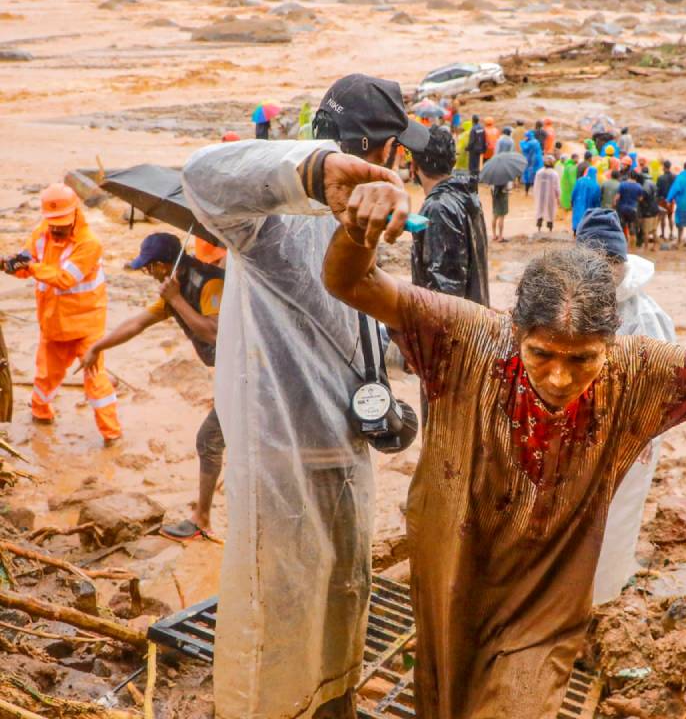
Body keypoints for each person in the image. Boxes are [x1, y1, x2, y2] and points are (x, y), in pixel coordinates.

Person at [320, 180, 686, 718]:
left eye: (583, 359)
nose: (561, 377)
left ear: (609, 344)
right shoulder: (462, 335)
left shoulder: (638, 370)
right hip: (453, 562)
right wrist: (357, 232)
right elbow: (351, 282)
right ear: (516, 329)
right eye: (541, 354)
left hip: (549, 593)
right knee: (443, 694)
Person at [182, 73, 430, 719]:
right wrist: (315, 174)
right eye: (397, 150)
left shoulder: (366, 225)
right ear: (381, 152)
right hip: (279, 466)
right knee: (272, 640)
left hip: (345, 460)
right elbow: (202, 177)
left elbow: (355, 327)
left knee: (342, 618)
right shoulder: (269, 222)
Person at [79, 233, 224, 539]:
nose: (149, 274)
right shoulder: (177, 287)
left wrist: (175, 301)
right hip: (233, 373)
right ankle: (209, 516)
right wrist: (98, 347)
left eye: (150, 268)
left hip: (253, 372)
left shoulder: (209, 283)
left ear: (163, 265)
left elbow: (213, 332)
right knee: (218, 441)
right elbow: (137, 324)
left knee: (209, 440)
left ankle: (204, 520)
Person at [569, 210, 677, 602]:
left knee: (613, 522)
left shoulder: (644, 317)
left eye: (610, 265)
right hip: (576, 432)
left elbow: (664, 383)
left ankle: (600, 601)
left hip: (628, 437)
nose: (603, 273)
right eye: (593, 265)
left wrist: (644, 428)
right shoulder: (570, 302)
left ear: (621, 263)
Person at [4, 182, 120, 444]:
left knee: (96, 382)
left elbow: (65, 279)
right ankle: (40, 416)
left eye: (61, 223)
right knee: (44, 377)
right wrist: (13, 266)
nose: (56, 228)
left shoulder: (90, 244)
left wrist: (31, 267)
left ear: (76, 215)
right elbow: (28, 264)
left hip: (86, 328)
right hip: (52, 323)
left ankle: (111, 434)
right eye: (52, 223)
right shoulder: (40, 233)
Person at [411, 125, 490, 303]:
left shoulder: (439, 207)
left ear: (414, 165)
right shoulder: (464, 195)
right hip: (474, 321)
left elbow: (445, 295)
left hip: (456, 327)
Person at [533, 156, 560, 234]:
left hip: (540, 195)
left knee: (540, 210)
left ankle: (539, 227)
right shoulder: (554, 174)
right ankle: (550, 229)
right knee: (550, 211)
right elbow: (557, 187)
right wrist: (558, 197)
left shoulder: (539, 172)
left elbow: (535, 185)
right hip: (550, 196)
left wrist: (536, 194)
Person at [614, 171, 644, 241]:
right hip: (633, 209)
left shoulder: (622, 184)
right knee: (632, 226)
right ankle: (632, 246)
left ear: (629, 176)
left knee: (623, 226)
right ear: (636, 177)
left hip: (622, 209)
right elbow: (640, 199)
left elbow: (617, 197)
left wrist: (614, 204)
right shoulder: (639, 186)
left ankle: (624, 242)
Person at [570, 166, 601, 233]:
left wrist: (572, 201)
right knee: (586, 218)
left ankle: (575, 229)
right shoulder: (595, 185)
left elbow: (574, 192)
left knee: (577, 215)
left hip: (578, 203)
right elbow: (597, 198)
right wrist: (597, 207)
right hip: (589, 205)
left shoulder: (580, 180)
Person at [637, 170, 661, 249]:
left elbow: (640, 199)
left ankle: (646, 247)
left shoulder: (644, 188)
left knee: (645, 231)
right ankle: (655, 246)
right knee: (654, 230)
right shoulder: (651, 183)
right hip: (655, 209)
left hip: (648, 212)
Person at [655, 160, 676, 241]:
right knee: (670, 217)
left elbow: (658, 190)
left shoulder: (660, 178)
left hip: (662, 200)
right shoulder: (674, 177)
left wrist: (656, 200)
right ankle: (671, 233)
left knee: (662, 217)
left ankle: (663, 234)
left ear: (664, 167)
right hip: (671, 200)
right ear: (670, 167)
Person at [520, 129, 543, 195]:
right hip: (537, 161)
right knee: (536, 176)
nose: (525, 138)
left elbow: (524, 149)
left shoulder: (529, 143)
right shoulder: (536, 141)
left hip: (531, 161)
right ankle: (535, 191)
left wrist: (522, 142)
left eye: (526, 136)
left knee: (528, 176)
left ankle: (526, 192)